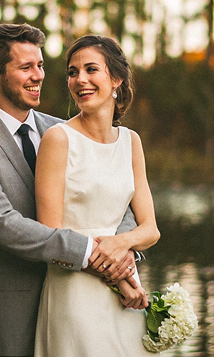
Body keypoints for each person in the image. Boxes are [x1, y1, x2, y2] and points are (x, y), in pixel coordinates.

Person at [0, 24, 139, 357]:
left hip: (86, 294)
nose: (38, 76)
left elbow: (118, 199)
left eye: (40, 65)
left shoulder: (64, 131)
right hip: (18, 301)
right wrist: (91, 253)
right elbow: (0, 224)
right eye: (26, 68)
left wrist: (121, 256)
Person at [34, 35, 160, 357]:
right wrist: (119, 277)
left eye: (91, 69)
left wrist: (122, 244)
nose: (80, 80)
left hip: (125, 294)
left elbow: (150, 230)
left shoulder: (131, 142)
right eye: (72, 72)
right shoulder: (58, 139)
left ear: (116, 79)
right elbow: (52, 236)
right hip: (74, 289)